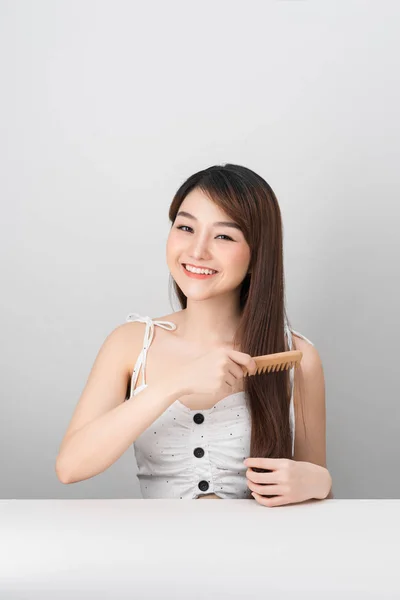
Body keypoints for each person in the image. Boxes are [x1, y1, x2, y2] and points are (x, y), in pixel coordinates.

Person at [56, 163, 333, 505]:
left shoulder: (298, 358)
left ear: (257, 253)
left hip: (257, 554)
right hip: (157, 552)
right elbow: (70, 467)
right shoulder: (130, 344)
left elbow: (314, 498)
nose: (197, 251)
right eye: (186, 227)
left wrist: (320, 483)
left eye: (223, 236)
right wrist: (178, 382)